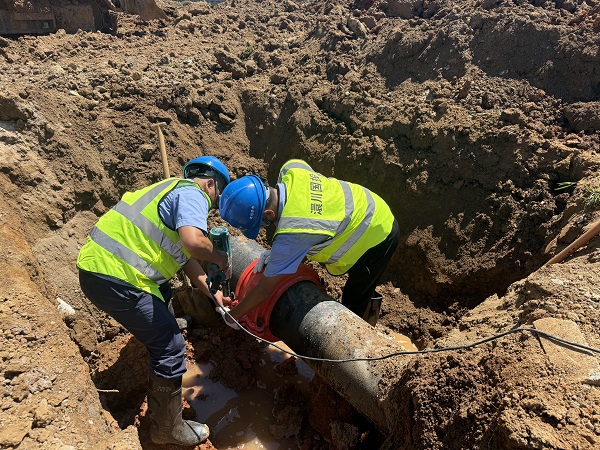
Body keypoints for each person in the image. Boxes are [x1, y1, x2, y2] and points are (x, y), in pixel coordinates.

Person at [77, 156, 231, 446]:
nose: (213, 205)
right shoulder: (193, 193)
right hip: (115, 275)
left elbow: (185, 259)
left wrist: (214, 294)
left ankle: (164, 324)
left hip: (101, 268)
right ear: (211, 184)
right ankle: (166, 430)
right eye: (217, 197)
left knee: (164, 289)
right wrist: (220, 257)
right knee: (170, 347)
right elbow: (193, 242)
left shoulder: (169, 190)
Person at [218, 158, 399, 329]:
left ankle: (365, 335)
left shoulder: (293, 231)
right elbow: (310, 211)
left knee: (355, 298)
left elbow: (265, 289)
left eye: (263, 223)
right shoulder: (291, 170)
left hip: (379, 232)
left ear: (269, 213)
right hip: (366, 203)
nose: (265, 227)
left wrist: (232, 316)